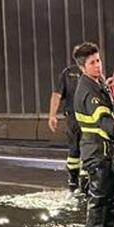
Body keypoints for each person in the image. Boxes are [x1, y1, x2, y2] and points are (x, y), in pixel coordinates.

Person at [72, 42, 114, 227]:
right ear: (82, 67)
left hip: (103, 152)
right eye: (92, 63)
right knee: (98, 199)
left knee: (111, 194)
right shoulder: (88, 91)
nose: (98, 65)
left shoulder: (96, 83)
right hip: (95, 152)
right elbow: (103, 120)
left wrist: (109, 87)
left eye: (98, 60)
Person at [48, 52, 84, 191]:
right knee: (78, 149)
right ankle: (77, 180)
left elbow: (57, 95)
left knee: (77, 149)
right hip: (77, 119)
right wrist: (52, 115)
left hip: (76, 119)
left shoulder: (69, 73)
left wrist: (52, 115)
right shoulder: (69, 73)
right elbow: (57, 95)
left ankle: (75, 180)